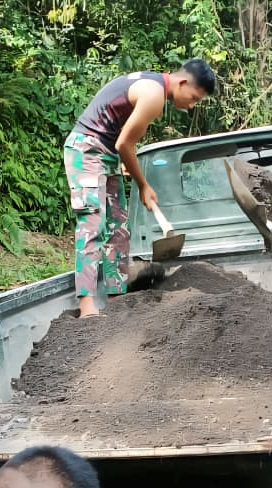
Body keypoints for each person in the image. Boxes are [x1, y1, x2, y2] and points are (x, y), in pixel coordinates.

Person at [64, 60, 216, 317]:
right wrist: (143, 184)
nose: (191, 105)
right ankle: (87, 306)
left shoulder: (153, 84)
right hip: (86, 149)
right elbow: (125, 144)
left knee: (119, 228)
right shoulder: (154, 94)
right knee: (93, 223)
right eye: (194, 98)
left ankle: (117, 298)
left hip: (106, 152)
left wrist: (124, 160)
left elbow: (120, 138)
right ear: (182, 82)